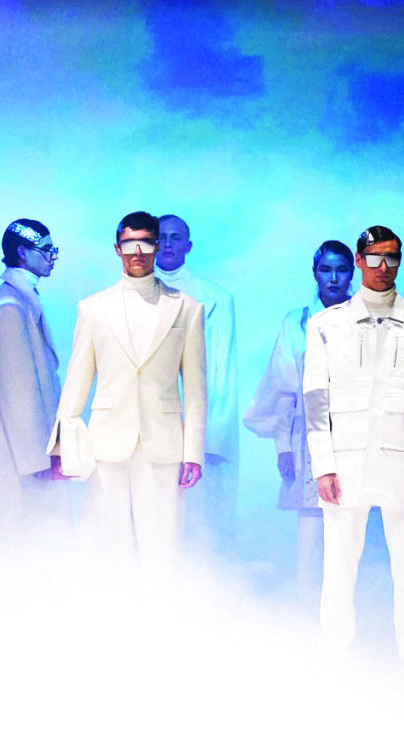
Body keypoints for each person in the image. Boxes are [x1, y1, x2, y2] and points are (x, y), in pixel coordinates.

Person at [303, 225, 404, 666]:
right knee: (338, 566)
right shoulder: (325, 326)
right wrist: (323, 465)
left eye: (392, 257)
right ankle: (333, 658)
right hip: (345, 461)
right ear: (359, 260)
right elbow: (316, 401)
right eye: (374, 257)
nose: (383, 266)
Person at [48, 211, 206, 574]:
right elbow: (77, 379)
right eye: (130, 243)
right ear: (117, 248)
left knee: (162, 546)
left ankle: (162, 609)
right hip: (107, 443)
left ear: (157, 246)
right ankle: (111, 609)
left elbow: (197, 390)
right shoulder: (93, 308)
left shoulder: (186, 308)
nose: (138, 252)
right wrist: (60, 447)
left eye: (146, 243)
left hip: (163, 442)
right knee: (107, 546)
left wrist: (193, 452)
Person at [244, 241, 353, 596]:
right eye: (326, 270)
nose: (334, 278)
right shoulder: (298, 322)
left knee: (350, 518)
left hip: (353, 432)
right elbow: (283, 388)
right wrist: (283, 447)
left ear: (352, 273)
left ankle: (345, 594)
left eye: (341, 270)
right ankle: (306, 593)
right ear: (315, 273)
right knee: (310, 516)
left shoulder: (363, 319)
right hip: (307, 431)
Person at [0, 219, 68, 541]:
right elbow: (18, 397)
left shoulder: (21, 299)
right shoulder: (9, 307)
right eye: (46, 249)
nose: (52, 256)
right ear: (22, 252)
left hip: (25, 460)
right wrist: (40, 461)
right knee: (21, 545)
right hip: (19, 464)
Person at [155, 214, 239, 555]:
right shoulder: (130, 296)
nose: (168, 244)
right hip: (149, 426)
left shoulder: (215, 298)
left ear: (188, 245)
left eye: (176, 237)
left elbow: (222, 372)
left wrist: (211, 439)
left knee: (199, 526)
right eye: (161, 237)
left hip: (196, 426)